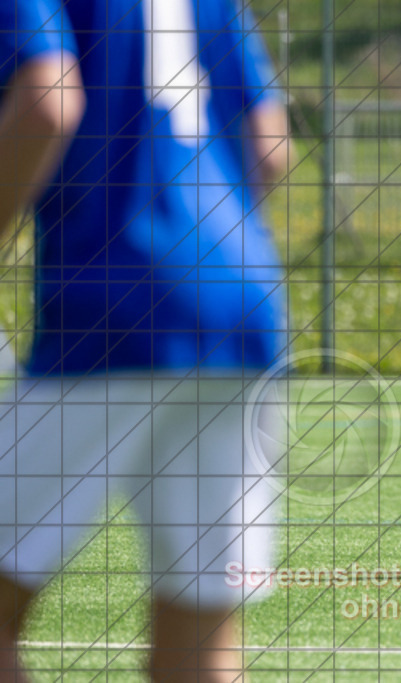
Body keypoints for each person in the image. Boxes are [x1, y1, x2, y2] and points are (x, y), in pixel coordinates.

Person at [0, 0, 291, 679]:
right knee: (200, 644)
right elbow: (272, 147)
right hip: (242, 305)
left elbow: (48, 97)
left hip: (113, 302)